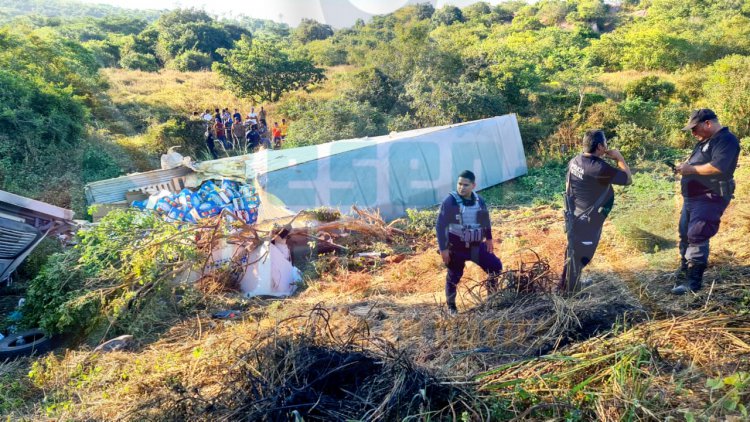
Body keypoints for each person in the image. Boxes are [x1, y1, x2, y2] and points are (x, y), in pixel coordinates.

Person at [671, 109, 740, 295]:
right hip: (692, 198)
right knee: (685, 233)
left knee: (697, 235)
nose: (693, 133)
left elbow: (718, 167)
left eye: (695, 128)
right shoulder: (704, 141)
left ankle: (693, 283)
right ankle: (685, 271)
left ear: (708, 123)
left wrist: (691, 170)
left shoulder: (726, 140)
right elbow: (697, 164)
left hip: (709, 196)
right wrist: (683, 168)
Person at [560, 129, 632, 292]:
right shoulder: (599, 168)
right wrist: (619, 157)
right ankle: (570, 294)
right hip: (589, 220)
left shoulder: (575, 161)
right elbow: (628, 179)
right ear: (600, 146)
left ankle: (567, 285)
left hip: (576, 214)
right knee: (581, 256)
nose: (607, 145)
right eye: (605, 142)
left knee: (573, 249)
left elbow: (568, 186)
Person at [436, 170, 502, 315]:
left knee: (495, 267)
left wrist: (489, 239)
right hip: (456, 248)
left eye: (466, 185)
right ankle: (451, 308)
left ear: (473, 185)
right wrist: (443, 249)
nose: (462, 187)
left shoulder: (479, 201)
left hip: (476, 246)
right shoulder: (450, 201)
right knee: (453, 277)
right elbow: (440, 225)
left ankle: (491, 299)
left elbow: (484, 220)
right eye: (459, 184)